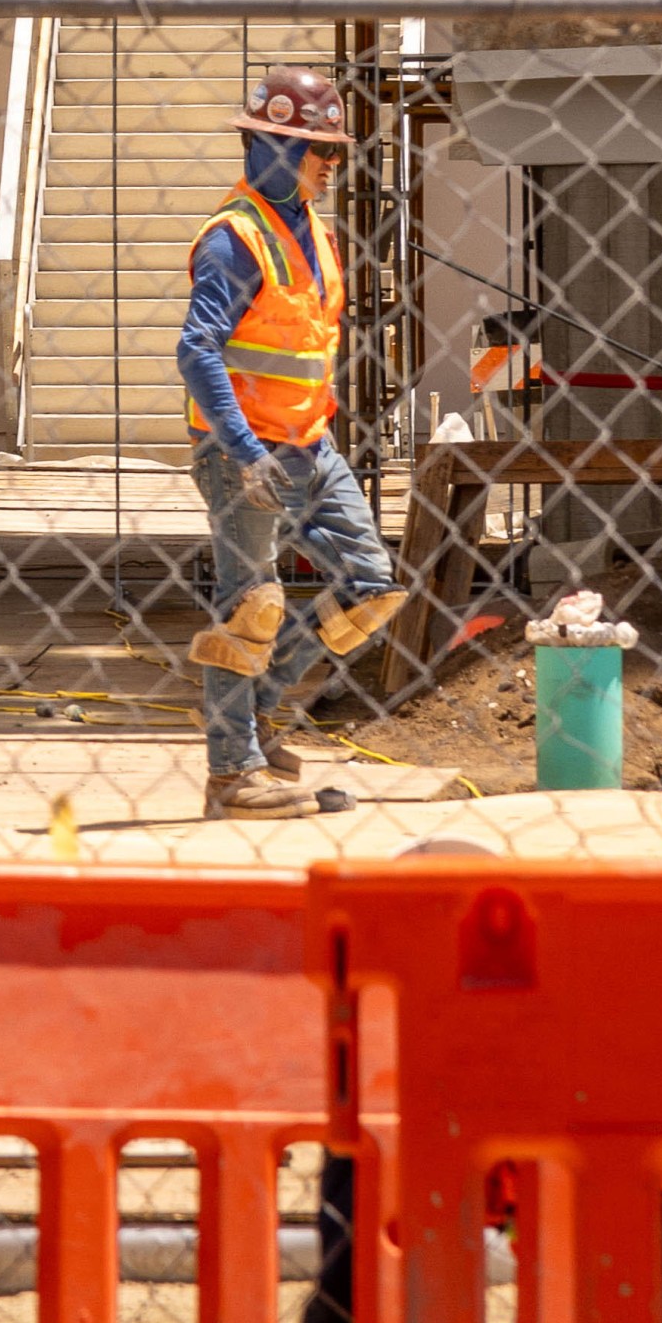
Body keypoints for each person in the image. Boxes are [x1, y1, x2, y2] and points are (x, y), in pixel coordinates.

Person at [181, 64, 409, 817]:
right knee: (250, 604)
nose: (333, 163)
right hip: (242, 452)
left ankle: (264, 712)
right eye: (321, 149)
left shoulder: (311, 227)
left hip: (310, 443)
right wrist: (245, 452)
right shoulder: (232, 242)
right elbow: (197, 350)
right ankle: (232, 771)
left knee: (371, 585)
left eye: (334, 151)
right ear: (275, 144)